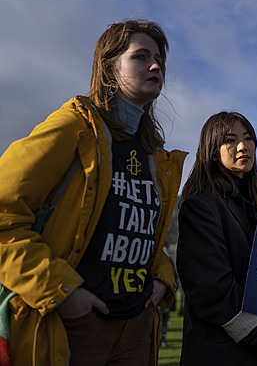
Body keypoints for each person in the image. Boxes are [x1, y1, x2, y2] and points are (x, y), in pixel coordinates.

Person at [0, 19, 186, 366]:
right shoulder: (75, 126)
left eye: (158, 57)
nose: (156, 65)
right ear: (109, 69)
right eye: (141, 56)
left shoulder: (155, 157)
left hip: (137, 327)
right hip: (77, 326)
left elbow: (148, 236)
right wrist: (63, 293)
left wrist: (162, 277)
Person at [176, 111, 257, 366]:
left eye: (248, 138)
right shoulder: (200, 205)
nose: (242, 146)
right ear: (212, 150)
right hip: (221, 354)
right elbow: (213, 290)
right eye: (230, 140)